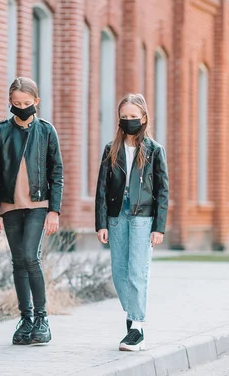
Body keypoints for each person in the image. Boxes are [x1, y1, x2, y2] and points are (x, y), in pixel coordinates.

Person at [0, 77, 64, 345]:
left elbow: (57, 172)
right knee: (18, 261)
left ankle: (42, 319)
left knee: (30, 257)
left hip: (38, 205)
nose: (21, 108)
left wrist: (54, 210)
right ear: (10, 103)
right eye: (16, 104)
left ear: (36, 102)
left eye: (26, 103)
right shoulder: (1, 131)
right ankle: (26, 319)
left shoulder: (46, 131)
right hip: (9, 206)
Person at [94, 93, 169, 351]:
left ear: (144, 118)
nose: (129, 121)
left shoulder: (154, 150)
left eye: (133, 117)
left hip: (143, 216)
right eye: (124, 117)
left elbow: (163, 190)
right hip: (117, 215)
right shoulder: (110, 149)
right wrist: (100, 223)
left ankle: (136, 328)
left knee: (137, 271)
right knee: (119, 272)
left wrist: (159, 227)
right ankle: (133, 314)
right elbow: (101, 189)